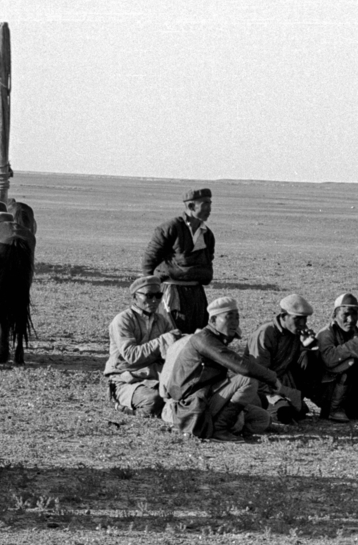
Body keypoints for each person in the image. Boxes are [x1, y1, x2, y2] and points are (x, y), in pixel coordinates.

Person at [158, 296, 282, 441]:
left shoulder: (215, 341)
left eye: (237, 317)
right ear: (212, 321)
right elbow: (242, 367)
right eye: (228, 317)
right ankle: (219, 429)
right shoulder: (203, 340)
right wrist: (272, 378)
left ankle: (223, 425)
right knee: (248, 381)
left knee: (263, 419)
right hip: (191, 404)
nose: (234, 323)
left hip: (209, 398)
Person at [104, 275, 180, 417]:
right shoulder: (123, 320)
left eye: (158, 295)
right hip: (124, 378)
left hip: (152, 375)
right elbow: (132, 356)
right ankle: (122, 406)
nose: (154, 300)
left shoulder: (162, 320)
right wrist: (161, 341)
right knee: (153, 400)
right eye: (149, 295)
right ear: (135, 297)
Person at [143, 187, 216, 334]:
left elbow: (208, 261)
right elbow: (149, 262)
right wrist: (152, 292)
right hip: (172, 292)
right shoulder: (170, 228)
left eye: (210, 203)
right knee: (172, 333)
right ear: (190, 206)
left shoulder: (207, 235)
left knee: (196, 333)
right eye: (205, 204)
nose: (209, 208)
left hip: (196, 294)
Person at [248, 293, 319, 423]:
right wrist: (283, 392)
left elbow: (300, 367)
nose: (302, 323)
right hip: (261, 386)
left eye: (304, 319)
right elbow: (258, 373)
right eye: (297, 319)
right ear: (283, 316)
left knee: (300, 412)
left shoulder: (295, 334)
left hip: (281, 383)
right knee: (284, 414)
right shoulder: (265, 333)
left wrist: (307, 347)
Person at [313, 292, 358, 421]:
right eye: (346, 314)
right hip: (326, 388)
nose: (351, 319)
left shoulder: (356, 332)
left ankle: (354, 405)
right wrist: (353, 347)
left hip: (351, 386)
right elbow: (329, 361)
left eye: (354, 314)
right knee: (350, 366)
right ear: (335, 314)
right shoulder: (326, 334)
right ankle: (334, 409)